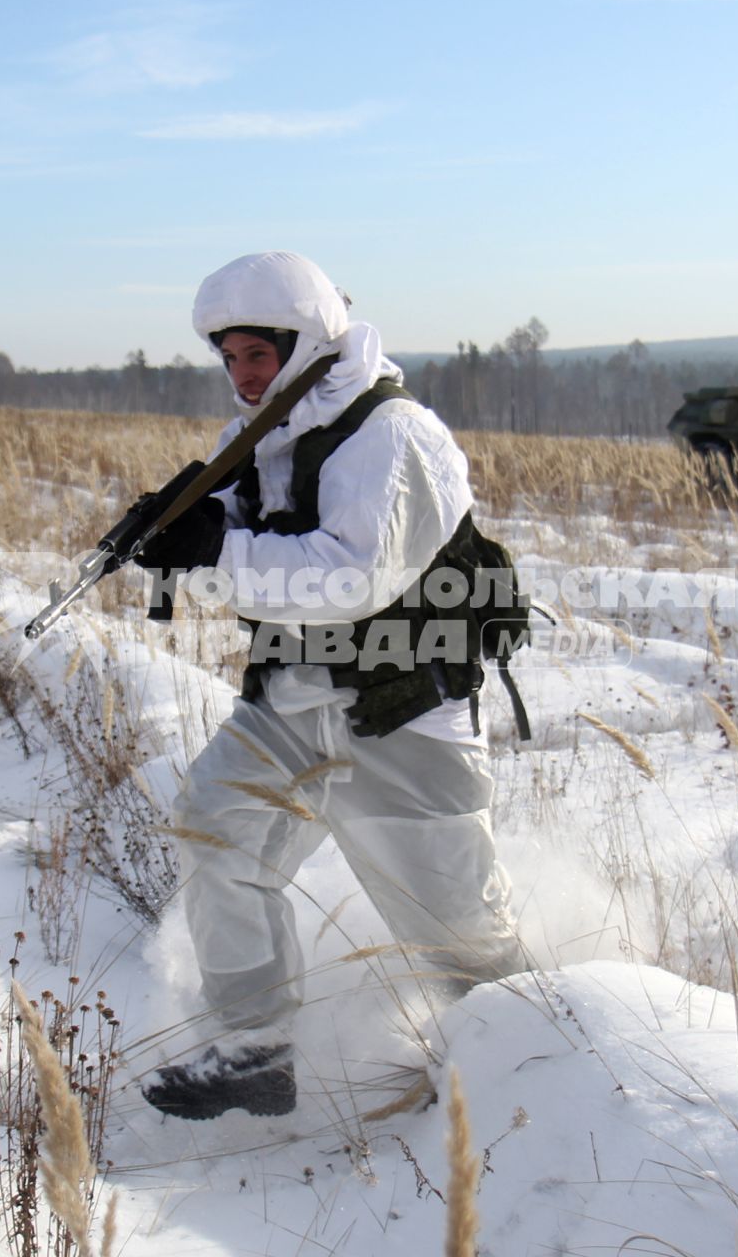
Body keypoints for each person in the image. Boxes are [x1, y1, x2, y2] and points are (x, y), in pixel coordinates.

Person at [131, 251, 527, 1120]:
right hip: (295, 698)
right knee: (218, 828)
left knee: (457, 932)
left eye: (256, 356)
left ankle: (535, 1071)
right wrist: (184, 520)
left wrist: (218, 550)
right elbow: (251, 516)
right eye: (229, 358)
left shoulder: (391, 433)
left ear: (305, 341)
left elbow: (350, 576)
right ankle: (254, 1046)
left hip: (402, 711)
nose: (241, 375)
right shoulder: (273, 425)